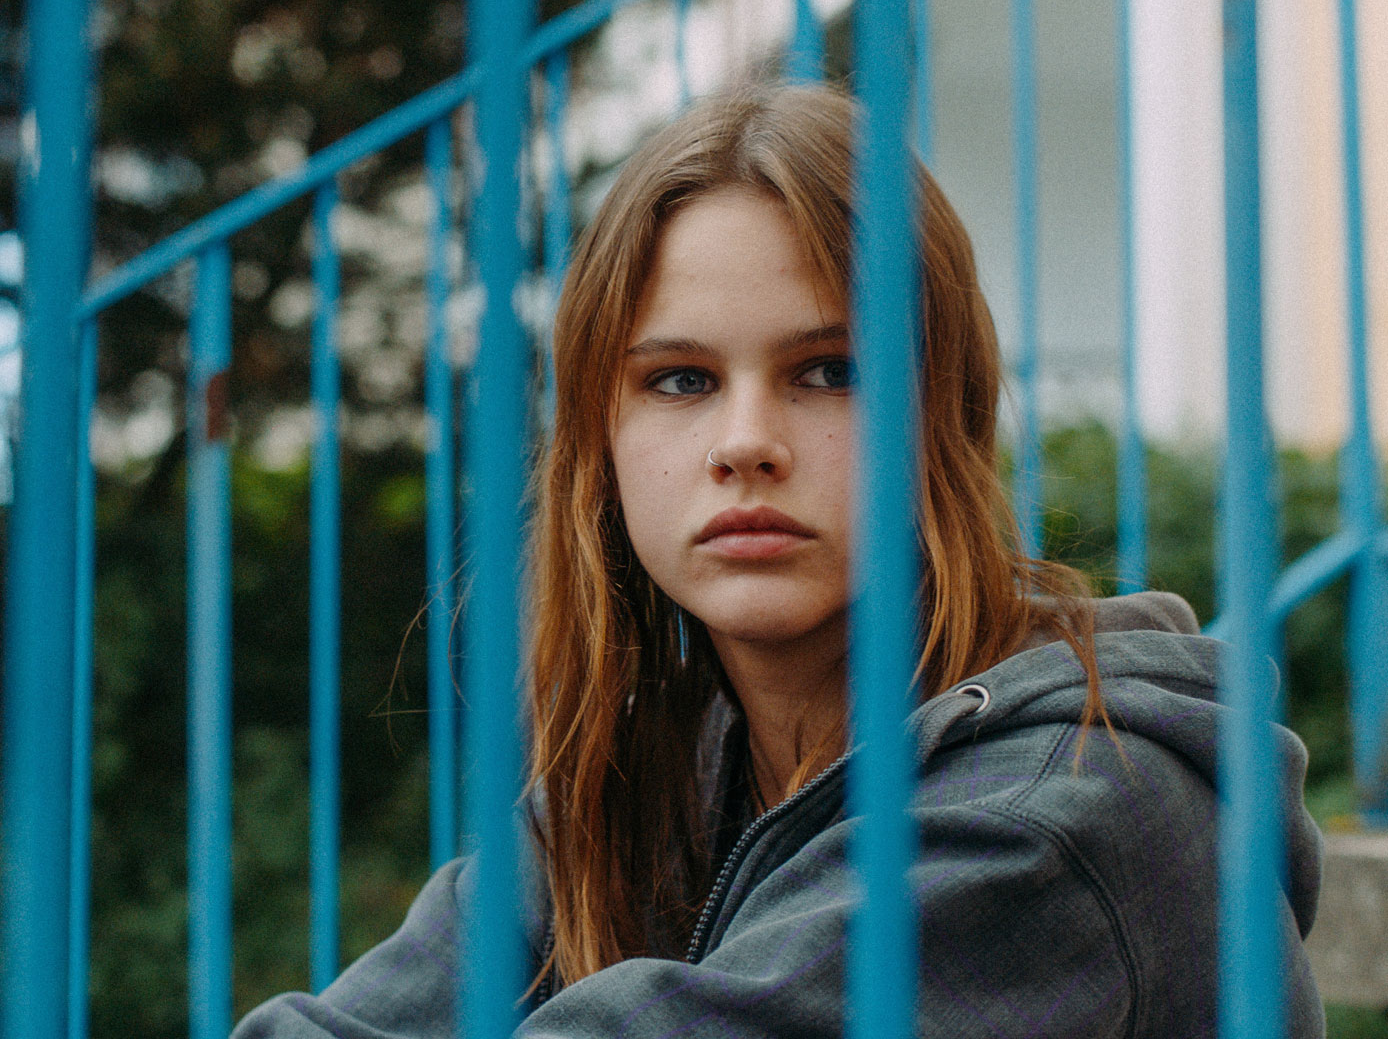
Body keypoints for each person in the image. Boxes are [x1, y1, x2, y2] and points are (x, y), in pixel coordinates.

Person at [231, 83, 1324, 1038]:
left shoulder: (1057, 822)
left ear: (942, 415)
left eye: (827, 371)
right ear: (598, 448)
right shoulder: (651, 780)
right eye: (679, 380)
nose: (744, 442)